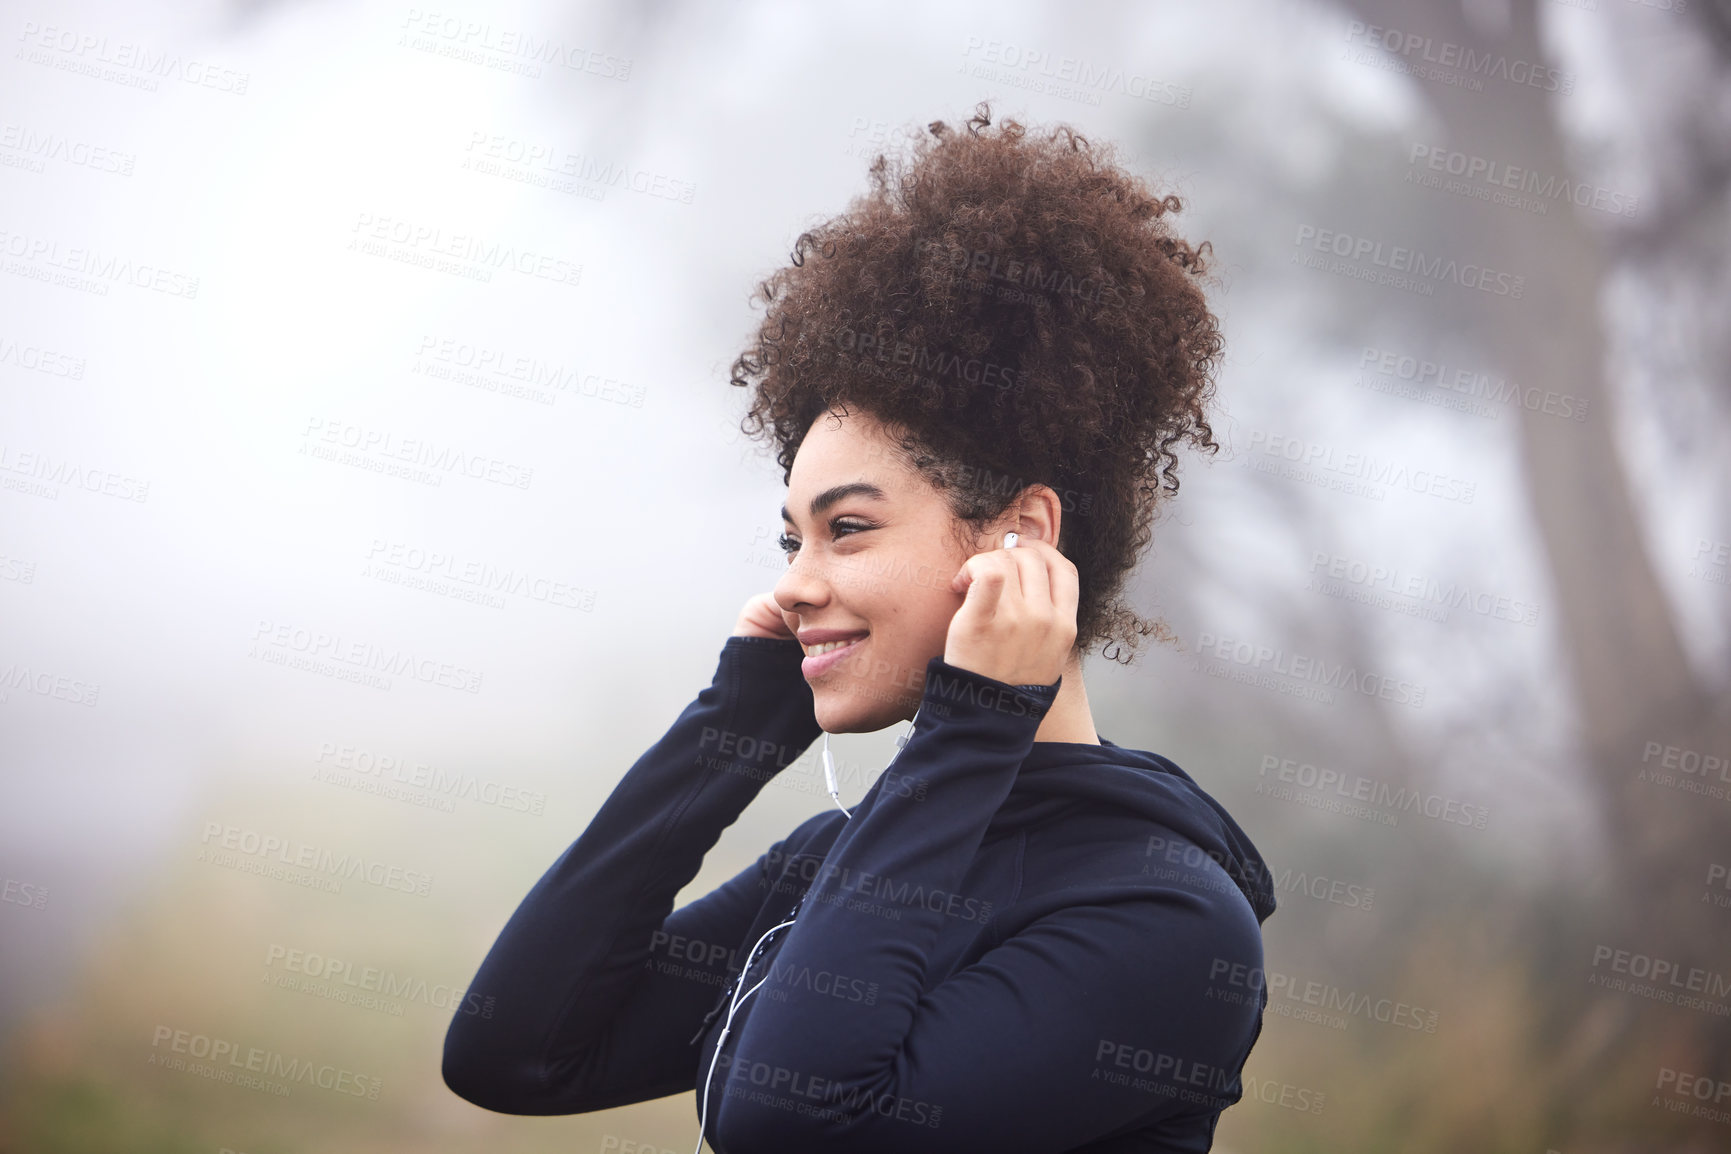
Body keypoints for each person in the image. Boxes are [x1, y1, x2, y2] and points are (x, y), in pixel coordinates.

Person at [442, 103, 1276, 1153]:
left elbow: (789, 1123)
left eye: (846, 528)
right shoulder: (843, 862)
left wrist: (978, 723)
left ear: (1018, 536)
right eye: (791, 538)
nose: (795, 581)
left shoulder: (1168, 917)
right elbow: (511, 1050)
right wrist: (728, 733)